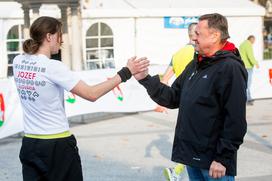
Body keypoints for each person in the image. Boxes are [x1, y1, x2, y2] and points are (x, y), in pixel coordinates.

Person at [13, 16, 149, 181]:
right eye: (60, 35)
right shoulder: (53, 67)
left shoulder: (18, 61)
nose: (61, 41)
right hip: (56, 145)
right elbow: (91, 94)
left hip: (30, 142)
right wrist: (126, 72)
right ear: (49, 37)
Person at [134, 13, 247, 181]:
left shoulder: (230, 68)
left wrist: (222, 158)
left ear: (215, 35)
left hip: (214, 163)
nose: (194, 38)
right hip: (191, 157)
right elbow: (173, 97)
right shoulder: (196, 63)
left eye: (198, 34)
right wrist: (145, 79)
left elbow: (235, 119)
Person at [158, 23, 197, 181]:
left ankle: (178, 170)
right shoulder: (199, 52)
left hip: (183, 100)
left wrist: (161, 102)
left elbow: (165, 79)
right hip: (199, 100)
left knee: (190, 136)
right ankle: (177, 170)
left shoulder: (177, 54)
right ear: (195, 34)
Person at [239, 35, 259, 105]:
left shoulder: (242, 44)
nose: (254, 42)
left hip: (243, 66)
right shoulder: (248, 44)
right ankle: (248, 99)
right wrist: (255, 63)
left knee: (245, 83)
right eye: (254, 40)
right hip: (248, 66)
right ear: (251, 39)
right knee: (247, 83)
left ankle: (247, 98)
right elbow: (250, 55)